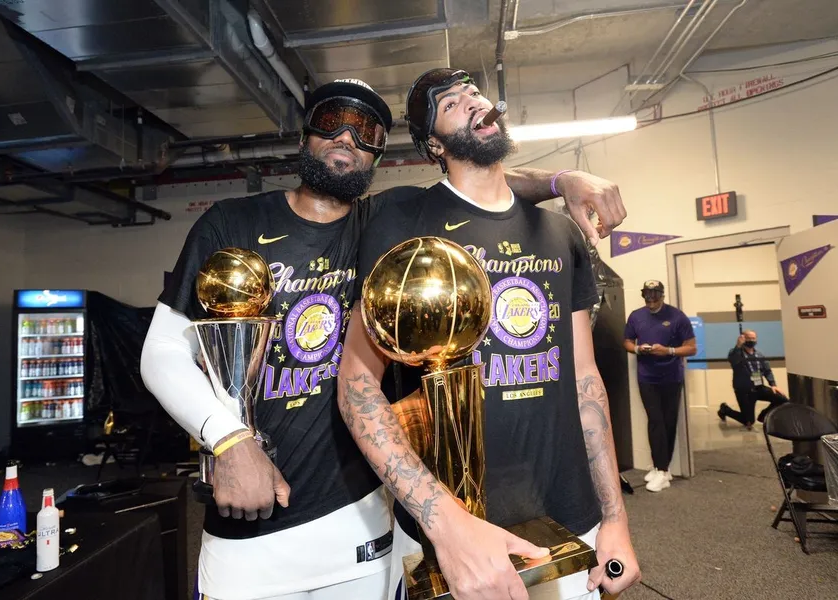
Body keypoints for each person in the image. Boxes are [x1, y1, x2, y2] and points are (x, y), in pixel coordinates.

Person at [141, 76, 630, 600]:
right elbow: (162, 353)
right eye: (331, 121)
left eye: (366, 131)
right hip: (250, 525)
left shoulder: (384, 220)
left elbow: (479, 183)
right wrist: (228, 439)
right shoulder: (232, 222)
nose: (346, 138)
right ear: (304, 134)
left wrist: (562, 181)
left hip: (362, 525)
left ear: (378, 153)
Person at [336, 68, 639, 600]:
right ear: (433, 144)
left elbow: (585, 380)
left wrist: (614, 517)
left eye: (474, 92)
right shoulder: (401, 219)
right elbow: (357, 385)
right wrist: (445, 524)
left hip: (571, 518)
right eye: (451, 103)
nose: (474, 102)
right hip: (456, 535)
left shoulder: (560, 232)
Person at [622, 280, 696, 493]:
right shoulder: (636, 316)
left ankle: (663, 470)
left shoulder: (677, 316)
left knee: (668, 422)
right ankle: (660, 467)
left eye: (655, 296)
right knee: (655, 421)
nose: (651, 300)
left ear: (662, 295)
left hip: (672, 377)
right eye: (647, 296)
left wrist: (668, 351)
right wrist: (638, 349)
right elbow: (627, 341)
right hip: (647, 377)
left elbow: (691, 348)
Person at [718, 329, 788, 430]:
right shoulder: (737, 352)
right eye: (749, 338)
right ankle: (725, 410)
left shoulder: (759, 355)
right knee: (749, 421)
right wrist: (738, 346)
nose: (751, 340)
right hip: (744, 391)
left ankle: (764, 416)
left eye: (753, 338)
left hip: (758, 388)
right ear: (743, 338)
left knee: (783, 399)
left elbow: (767, 370)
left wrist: (773, 384)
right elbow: (733, 360)